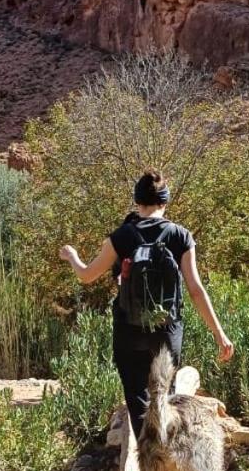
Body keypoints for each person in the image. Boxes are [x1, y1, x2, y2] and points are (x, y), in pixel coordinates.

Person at [59, 169, 234, 438]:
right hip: (166, 331)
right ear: (165, 201)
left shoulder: (122, 236)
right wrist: (219, 334)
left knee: (138, 400)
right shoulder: (180, 236)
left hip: (129, 330)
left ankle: (147, 454)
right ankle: (165, 451)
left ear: (137, 201)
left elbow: (87, 275)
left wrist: (72, 256)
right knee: (163, 397)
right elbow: (196, 290)